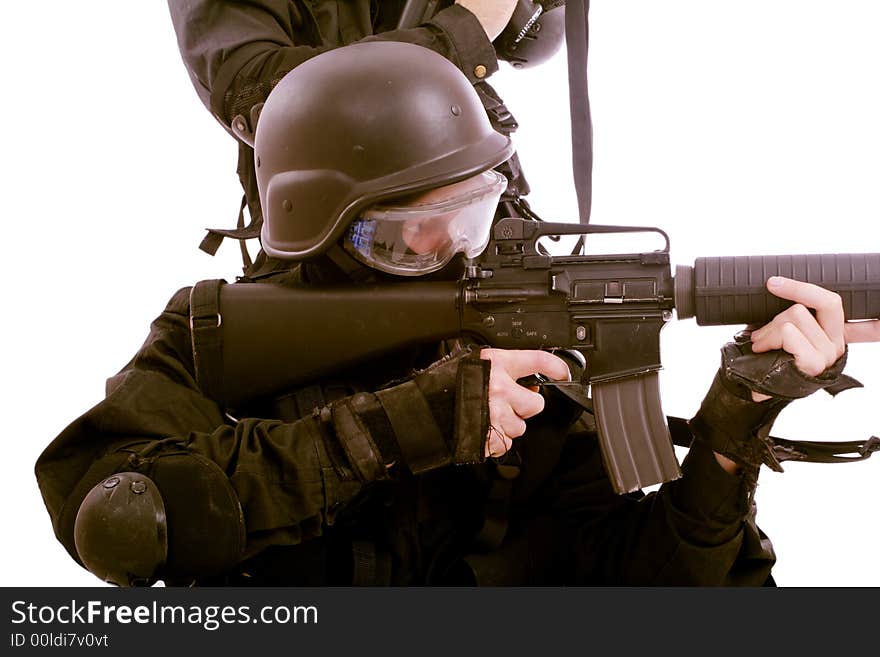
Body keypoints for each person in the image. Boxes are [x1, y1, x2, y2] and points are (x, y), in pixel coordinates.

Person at [35, 41, 876, 587]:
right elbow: (119, 522)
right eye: (406, 232)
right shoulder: (216, 341)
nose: (449, 245)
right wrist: (393, 429)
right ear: (315, 230)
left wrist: (731, 439)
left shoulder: (515, 343)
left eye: (469, 212)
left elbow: (639, 583)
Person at [166, 0, 538, 272]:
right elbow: (256, 93)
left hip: (477, 203)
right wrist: (462, 32)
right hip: (350, 238)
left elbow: (533, 39)